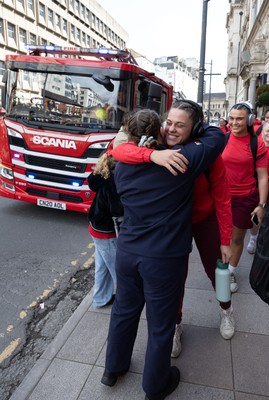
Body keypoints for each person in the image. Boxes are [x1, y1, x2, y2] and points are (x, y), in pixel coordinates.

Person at [101, 108, 225, 400]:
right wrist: (193, 131)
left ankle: (112, 369)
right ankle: (156, 386)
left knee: (123, 312)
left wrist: (146, 151)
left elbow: (122, 149)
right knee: (161, 324)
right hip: (163, 258)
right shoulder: (181, 161)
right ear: (158, 131)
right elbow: (217, 137)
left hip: (128, 252)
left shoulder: (122, 165)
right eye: (167, 124)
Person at [222, 101, 268, 292]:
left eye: (239, 119)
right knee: (221, 237)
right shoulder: (221, 139)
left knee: (236, 238)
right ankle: (221, 267)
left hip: (244, 199)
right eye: (231, 118)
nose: (234, 123)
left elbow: (263, 176)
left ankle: (230, 271)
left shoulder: (257, 144)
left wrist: (262, 205)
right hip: (221, 198)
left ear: (249, 120)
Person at [87, 152, 123, 308]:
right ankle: (124, 302)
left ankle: (101, 298)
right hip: (107, 233)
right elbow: (118, 211)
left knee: (102, 268)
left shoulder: (102, 177)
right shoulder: (113, 184)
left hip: (96, 228)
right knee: (118, 270)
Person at [246, 121, 269, 254]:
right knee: (257, 213)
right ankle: (253, 237)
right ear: (262, 131)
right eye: (267, 130)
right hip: (257, 186)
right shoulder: (256, 145)